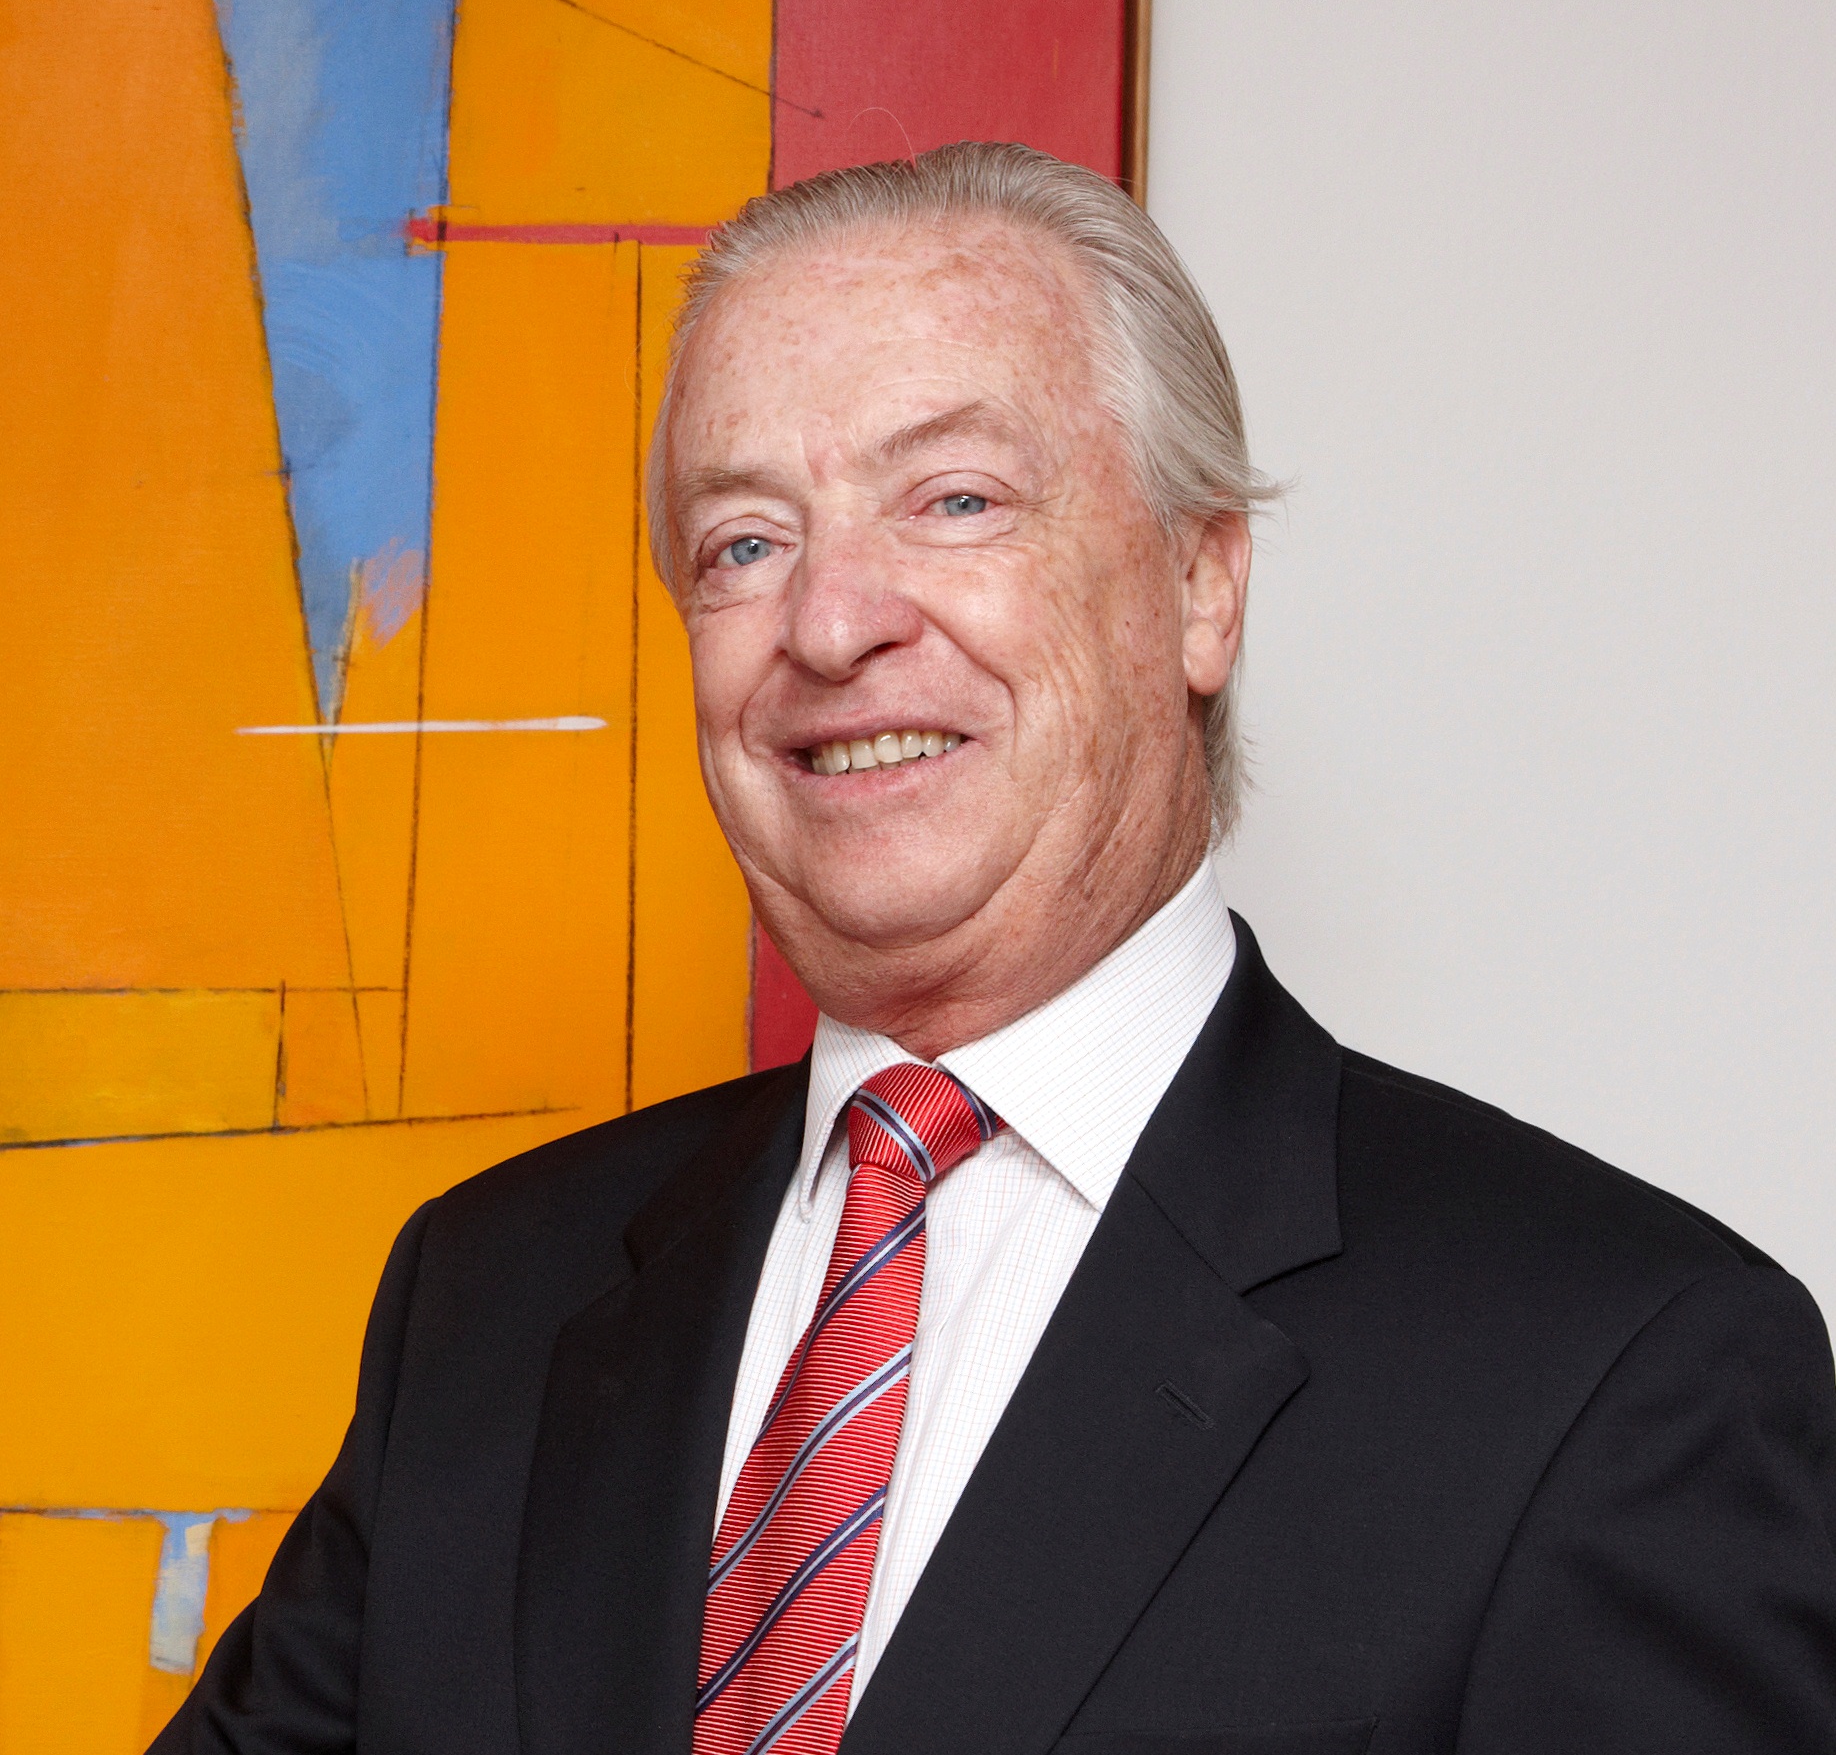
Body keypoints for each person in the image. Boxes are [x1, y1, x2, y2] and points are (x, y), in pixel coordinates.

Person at [154, 143, 1836, 1755]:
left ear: (1201, 584)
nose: (830, 622)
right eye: (746, 542)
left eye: (955, 500)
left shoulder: (1618, 1365)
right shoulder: (488, 1299)